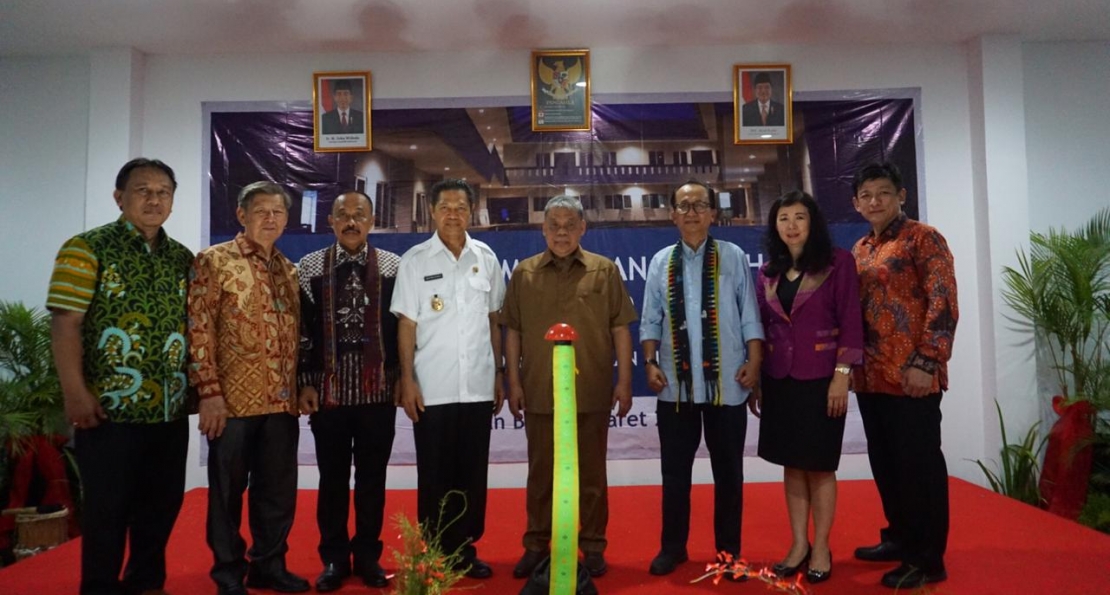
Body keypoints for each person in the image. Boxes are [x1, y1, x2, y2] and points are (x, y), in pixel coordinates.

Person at [48, 158, 193, 595]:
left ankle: (146, 584)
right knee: (108, 511)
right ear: (119, 197)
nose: (154, 199)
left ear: (172, 201)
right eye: (142, 190)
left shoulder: (181, 258)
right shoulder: (86, 248)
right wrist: (74, 392)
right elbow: (64, 323)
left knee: (161, 508)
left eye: (163, 191)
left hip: (169, 410)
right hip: (109, 410)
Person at [503, 195, 638, 580]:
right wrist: (514, 381)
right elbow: (512, 330)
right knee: (540, 473)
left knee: (592, 475)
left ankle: (592, 545)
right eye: (554, 225)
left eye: (569, 225)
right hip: (540, 392)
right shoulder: (524, 273)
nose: (561, 232)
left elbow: (619, 327)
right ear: (543, 230)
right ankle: (535, 545)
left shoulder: (604, 271)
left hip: (591, 391)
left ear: (583, 228)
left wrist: (624, 382)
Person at [638, 181, 764, 579]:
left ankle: (729, 554)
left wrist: (755, 361)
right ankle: (672, 548)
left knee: (729, 475)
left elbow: (748, 313)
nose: (692, 212)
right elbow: (650, 316)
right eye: (684, 205)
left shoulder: (733, 256)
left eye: (700, 205)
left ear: (713, 213)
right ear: (672, 214)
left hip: (728, 384)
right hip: (675, 387)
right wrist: (649, 361)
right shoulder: (661, 261)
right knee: (674, 474)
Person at [188, 181, 307, 595]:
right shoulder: (214, 261)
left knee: (276, 492)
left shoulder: (289, 270)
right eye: (260, 210)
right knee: (227, 493)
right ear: (241, 215)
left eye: (277, 212)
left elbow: (299, 338)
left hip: (281, 403)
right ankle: (227, 573)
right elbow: (198, 329)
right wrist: (209, 391)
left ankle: (269, 566)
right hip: (232, 404)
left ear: (286, 219)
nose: (269, 218)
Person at [849, 162, 958, 589]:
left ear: (901, 195)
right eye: (867, 195)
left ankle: (927, 558)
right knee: (887, 464)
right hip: (871, 377)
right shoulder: (860, 248)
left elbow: (943, 301)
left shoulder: (923, 238)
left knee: (920, 468)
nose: (875, 201)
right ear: (856, 203)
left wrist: (927, 362)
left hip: (913, 375)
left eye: (883, 193)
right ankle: (898, 538)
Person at [389, 179, 505, 579]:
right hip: (432, 386)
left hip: (477, 385)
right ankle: (434, 551)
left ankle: (465, 550)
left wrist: (500, 374)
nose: (453, 212)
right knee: (435, 471)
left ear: (471, 211)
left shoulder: (485, 257)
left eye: (460, 206)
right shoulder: (415, 260)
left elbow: (494, 320)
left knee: (472, 471)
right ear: (432, 212)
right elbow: (406, 325)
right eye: (445, 206)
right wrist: (408, 379)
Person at [749, 191, 864, 585]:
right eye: (784, 218)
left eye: (800, 217)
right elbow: (762, 330)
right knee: (792, 466)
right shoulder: (767, 272)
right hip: (780, 381)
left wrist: (842, 375)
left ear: (812, 222)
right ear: (775, 226)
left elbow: (851, 319)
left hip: (822, 379)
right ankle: (798, 544)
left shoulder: (838, 263)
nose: (792, 225)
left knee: (819, 467)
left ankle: (821, 547)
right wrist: (759, 379)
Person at [296, 191, 401, 591]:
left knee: (373, 480)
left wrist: (403, 379)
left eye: (360, 215)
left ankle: (370, 558)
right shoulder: (309, 268)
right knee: (332, 480)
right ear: (331, 222)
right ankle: (336, 560)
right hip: (330, 394)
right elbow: (303, 333)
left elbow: (404, 330)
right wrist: (305, 382)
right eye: (344, 215)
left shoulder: (393, 266)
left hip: (378, 394)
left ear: (373, 221)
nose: (352, 222)